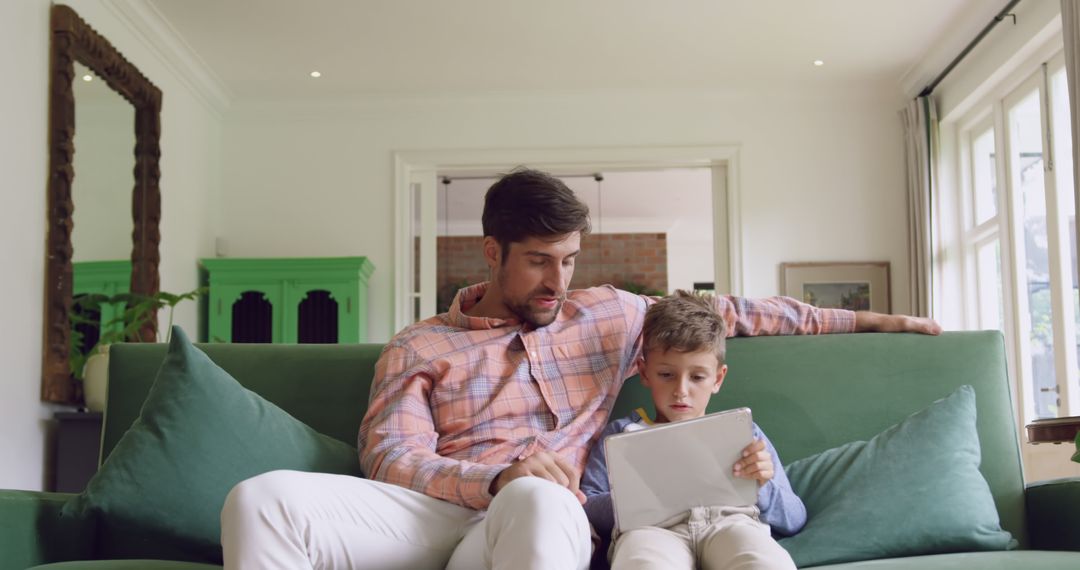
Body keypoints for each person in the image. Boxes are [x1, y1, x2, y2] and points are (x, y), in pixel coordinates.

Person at [220, 168, 941, 570]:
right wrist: (493, 476)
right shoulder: (420, 345)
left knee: (537, 501)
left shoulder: (611, 316)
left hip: (539, 517)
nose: (556, 281)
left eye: (567, 261)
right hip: (436, 509)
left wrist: (881, 320)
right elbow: (388, 455)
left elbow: (742, 312)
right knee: (259, 500)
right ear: (492, 251)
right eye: (538, 261)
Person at [582, 290, 803, 570]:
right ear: (645, 372)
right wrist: (633, 498)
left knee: (763, 561)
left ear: (717, 378)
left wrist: (762, 485)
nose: (681, 391)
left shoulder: (745, 434)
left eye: (697, 377)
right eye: (667, 375)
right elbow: (587, 505)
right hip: (651, 529)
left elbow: (795, 518)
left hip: (732, 524)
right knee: (642, 561)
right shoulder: (622, 434)